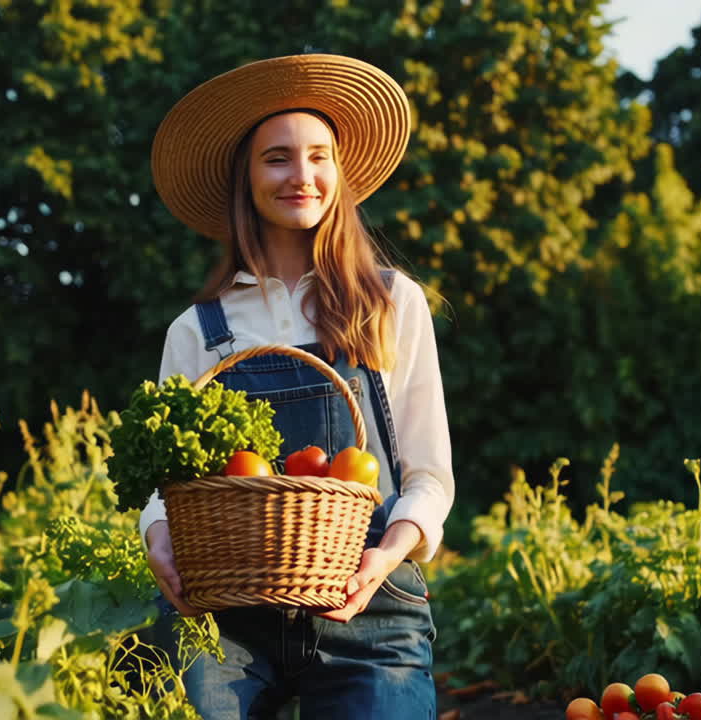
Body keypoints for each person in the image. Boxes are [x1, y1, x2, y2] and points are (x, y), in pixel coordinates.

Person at [140, 54, 455, 719]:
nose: (302, 176)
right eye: (277, 158)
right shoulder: (198, 332)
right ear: (246, 179)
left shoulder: (391, 304)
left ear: (339, 175)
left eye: (319, 157)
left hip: (370, 609)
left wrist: (385, 556)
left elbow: (429, 477)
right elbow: (162, 487)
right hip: (227, 618)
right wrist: (156, 534)